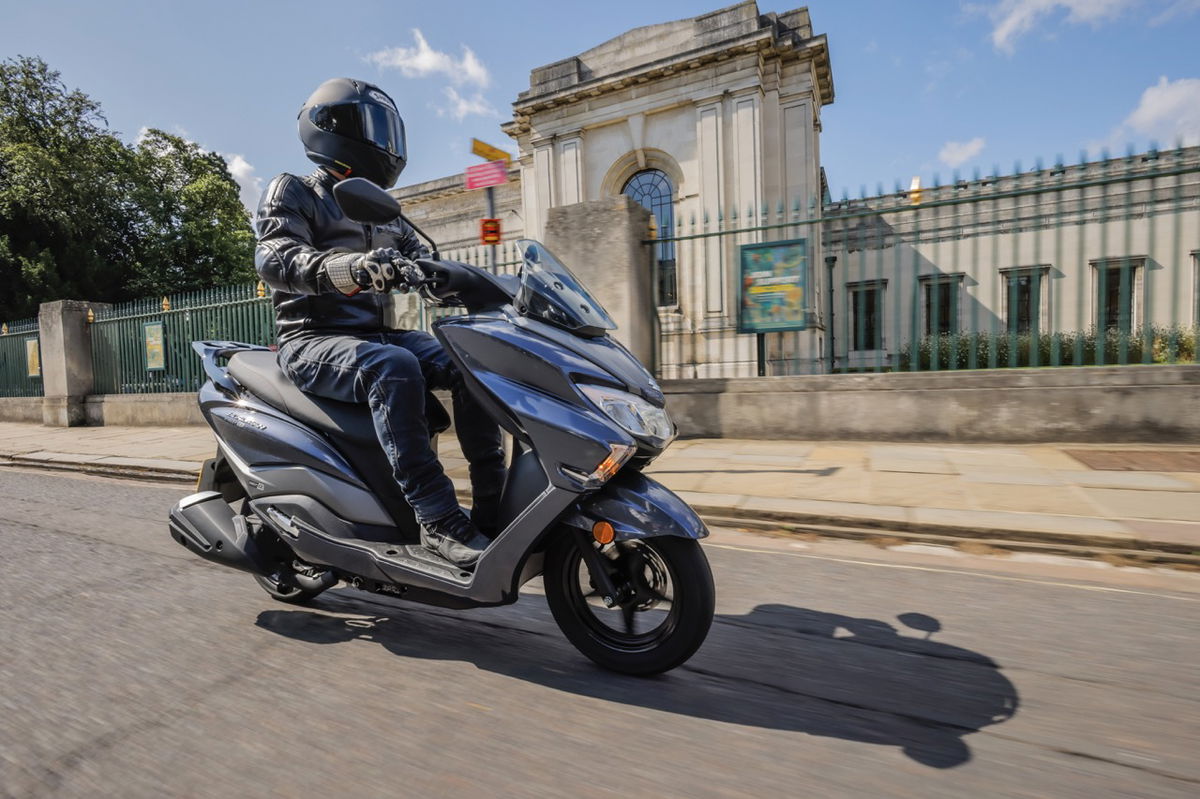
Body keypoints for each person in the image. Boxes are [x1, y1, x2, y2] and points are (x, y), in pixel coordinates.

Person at [253, 77, 504, 568]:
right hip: (312, 339)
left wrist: (467, 280)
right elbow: (274, 255)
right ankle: (436, 519)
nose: (385, 142)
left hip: (373, 335)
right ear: (330, 128)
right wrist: (341, 267)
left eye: (388, 130)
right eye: (372, 127)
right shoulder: (296, 191)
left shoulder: (383, 209)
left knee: (471, 360)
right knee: (392, 367)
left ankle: (494, 505)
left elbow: (424, 257)